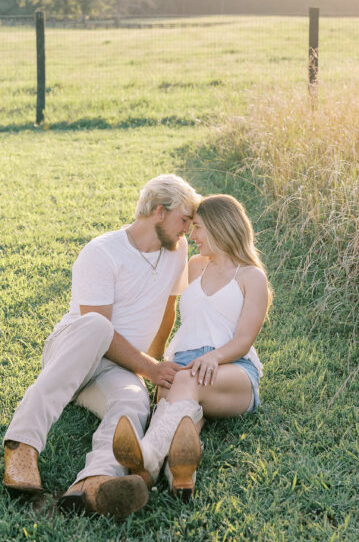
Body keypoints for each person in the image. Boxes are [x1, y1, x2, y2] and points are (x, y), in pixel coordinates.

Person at [2, 173, 201, 519]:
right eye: (184, 219)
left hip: (121, 366)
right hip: (75, 351)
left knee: (133, 400)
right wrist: (150, 368)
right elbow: (101, 334)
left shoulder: (177, 250)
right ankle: (22, 445)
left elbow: (168, 307)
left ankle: (94, 482)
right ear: (159, 211)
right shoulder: (102, 252)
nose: (188, 229)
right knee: (97, 325)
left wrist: (153, 362)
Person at [112, 194, 270, 499]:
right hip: (184, 362)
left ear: (220, 226)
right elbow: (165, 304)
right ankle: (179, 475)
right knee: (182, 415)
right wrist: (154, 360)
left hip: (232, 368)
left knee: (184, 382)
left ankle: (146, 457)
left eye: (197, 228)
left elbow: (243, 340)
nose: (192, 235)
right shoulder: (195, 266)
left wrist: (213, 357)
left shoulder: (252, 277)